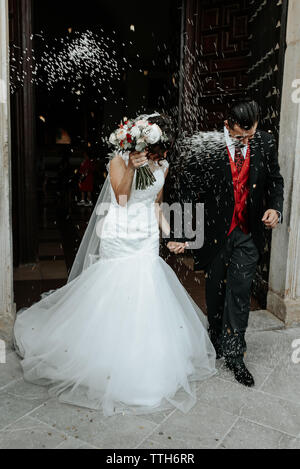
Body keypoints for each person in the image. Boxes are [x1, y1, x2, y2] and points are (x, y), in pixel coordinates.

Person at [12, 114, 216, 417]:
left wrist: (171, 235)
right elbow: (121, 198)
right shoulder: (119, 160)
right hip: (120, 233)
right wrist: (134, 168)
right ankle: (107, 356)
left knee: (147, 289)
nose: (158, 156)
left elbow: (157, 203)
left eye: (162, 151)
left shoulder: (163, 165)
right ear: (142, 142)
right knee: (116, 289)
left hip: (145, 234)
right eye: (156, 150)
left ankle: (143, 357)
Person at [175, 100, 284, 387]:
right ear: (227, 126)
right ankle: (214, 341)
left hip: (248, 232)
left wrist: (276, 208)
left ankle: (235, 353)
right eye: (239, 136)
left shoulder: (265, 142)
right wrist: (184, 232)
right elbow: (186, 186)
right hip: (216, 232)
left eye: (250, 135)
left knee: (240, 290)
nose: (246, 141)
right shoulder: (207, 146)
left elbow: (275, 180)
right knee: (215, 290)